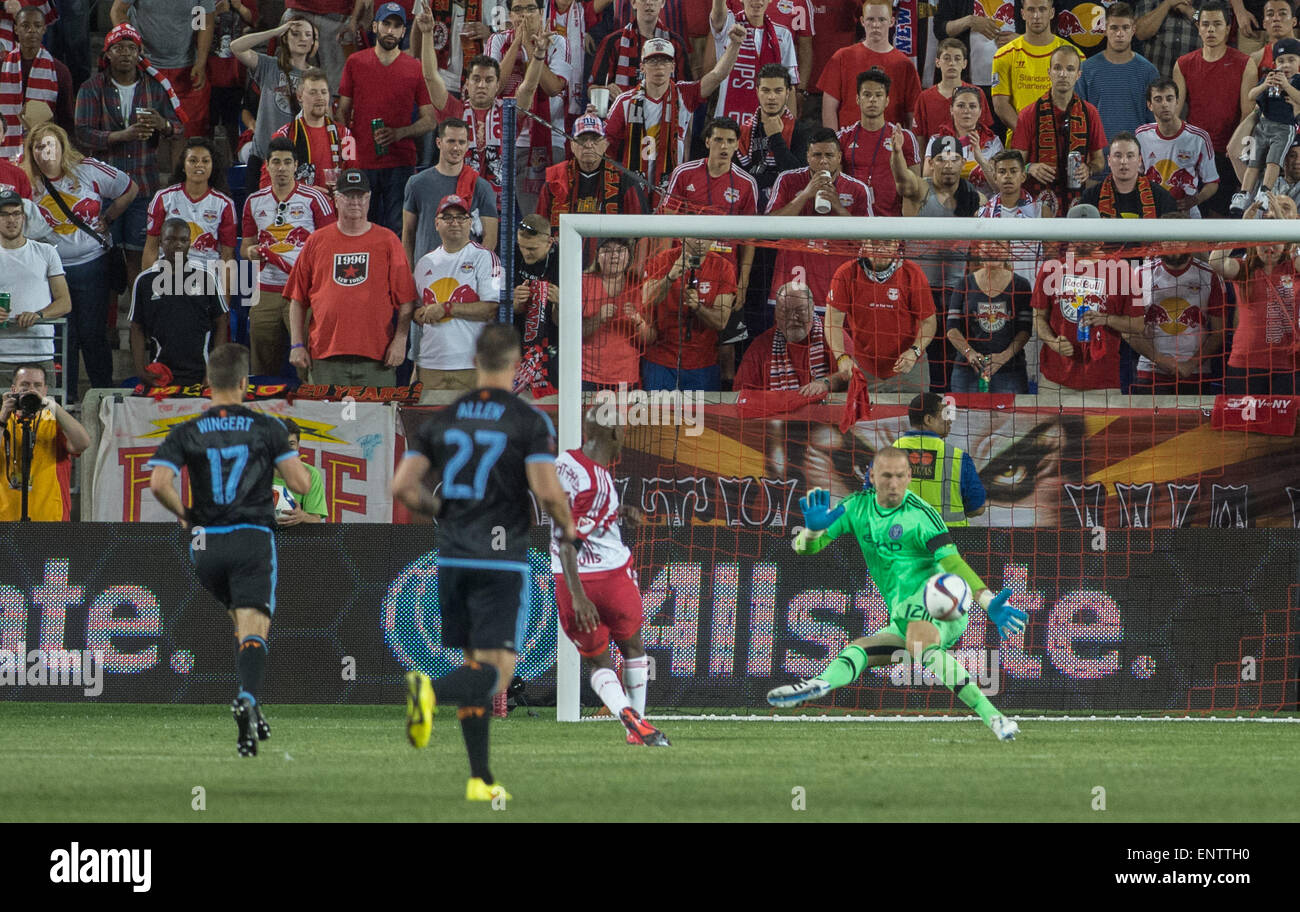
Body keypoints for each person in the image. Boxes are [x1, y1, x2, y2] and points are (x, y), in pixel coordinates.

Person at [396, 323, 581, 802]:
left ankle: (480, 777)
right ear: (517, 363)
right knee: (498, 670)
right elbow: (545, 489)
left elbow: (402, 487)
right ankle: (430, 690)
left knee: (475, 667)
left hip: (452, 555)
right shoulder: (528, 419)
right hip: (501, 560)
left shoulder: (445, 417)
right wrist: (568, 528)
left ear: (475, 359)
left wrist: (445, 511)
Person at [765, 449, 1025, 742]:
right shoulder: (856, 508)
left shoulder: (922, 516)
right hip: (902, 612)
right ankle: (820, 683)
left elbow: (953, 562)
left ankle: (995, 717)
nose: (893, 484)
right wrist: (812, 533)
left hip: (938, 602)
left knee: (918, 640)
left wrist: (988, 602)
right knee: (862, 649)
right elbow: (805, 549)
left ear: (909, 477)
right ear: (872, 476)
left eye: (900, 476)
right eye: (886, 476)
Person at [146, 343, 312, 756]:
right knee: (255, 627)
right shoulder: (267, 428)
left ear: (207, 384)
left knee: (238, 622)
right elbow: (301, 485)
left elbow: (158, 484)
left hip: (205, 547)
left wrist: (185, 514)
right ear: (244, 383)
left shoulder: (185, 431)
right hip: (252, 538)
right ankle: (248, 698)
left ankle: (251, 712)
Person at [551, 408, 669, 746]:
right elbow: (570, 540)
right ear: (614, 434)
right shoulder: (598, 484)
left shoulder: (563, 464)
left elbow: (573, 517)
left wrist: (615, 515)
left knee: (597, 662)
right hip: (608, 578)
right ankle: (638, 721)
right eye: (625, 432)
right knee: (633, 648)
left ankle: (628, 718)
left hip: (566, 579)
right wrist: (579, 595)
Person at [24, 122, 137, 399]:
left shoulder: (88, 169)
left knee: (92, 333)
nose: (45, 151)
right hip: (51, 271)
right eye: (38, 147)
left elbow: (130, 188)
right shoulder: (27, 181)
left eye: (50, 144)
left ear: (62, 146)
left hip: (93, 265)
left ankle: (102, 392)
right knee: (63, 337)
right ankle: (67, 396)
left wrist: (109, 218)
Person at [74, 24, 183, 299]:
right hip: (104, 190)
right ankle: (108, 328)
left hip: (143, 186)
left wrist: (163, 124)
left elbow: (178, 127)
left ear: (139, 53)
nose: (125, 53)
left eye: (131, 48)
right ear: (107, 53)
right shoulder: (91, 87)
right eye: (118, 48)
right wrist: (121, 135)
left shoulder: (155, 87)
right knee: (104, 260)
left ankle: (138, 321)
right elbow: (82, 133)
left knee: (138, 258)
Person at [286, 168, 416, 387]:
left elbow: (407, 301)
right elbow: (297, 300)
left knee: (377, 420)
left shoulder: (388, 241)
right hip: (324, 357)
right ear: (336, 199)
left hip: (377, 358)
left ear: (369, 198)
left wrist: (401, 340)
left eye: (360, 195)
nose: (355, 201)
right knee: (324, 422)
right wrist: (297, 344)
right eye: (348, 195)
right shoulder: (316, 241)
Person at [604, 32, 746, 201]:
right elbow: (606, 147)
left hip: (673, 190)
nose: (660, 68)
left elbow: (717, 76)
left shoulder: (684, 94)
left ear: (673, 66)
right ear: (642, 67)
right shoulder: (624, 102)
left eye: (665, 61)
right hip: (631, 191)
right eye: (653, 61)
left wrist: (735, 45)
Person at [893, 132, 985, 391]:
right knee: (922, 366)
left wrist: (981, 159)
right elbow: (902, 180)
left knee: (953, 368)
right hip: (917, 293)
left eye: (954, 159)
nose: (948, 164)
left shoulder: (973, 196)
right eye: (942, 159)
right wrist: (897, 154)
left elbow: (999, 197)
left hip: (956, 295)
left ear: (962, 162)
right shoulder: (920, 189)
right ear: (931, 162)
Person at [242, 136, 337, 376]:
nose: (281, 168)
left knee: (309, 362)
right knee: (261, 363)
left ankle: (312, 405)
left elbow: (332, 246)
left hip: (305, 292)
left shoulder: (315, 199)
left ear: (296, 166)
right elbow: (246, 247)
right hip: (266, 291)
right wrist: (252, 252)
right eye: (276, 162)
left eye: (287, 162)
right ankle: (264, 407)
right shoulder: (253, 201)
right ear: (267, 165)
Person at [338, 2, 435, 234]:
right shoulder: (355, 62)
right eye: (386, 24)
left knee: (398, 230)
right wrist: (346, 155)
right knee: (359, 227)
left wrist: (399, 133)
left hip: (400, 163)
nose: (391, 31)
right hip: (361, 162)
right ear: (375, 26)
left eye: (397, 26)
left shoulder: (414, 68)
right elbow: (341, 114)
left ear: (404, 31)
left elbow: (430, 120)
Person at [1031, 204, 1140, 397]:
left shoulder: (1122, 269)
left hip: (1103, 382)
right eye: (1078, 229)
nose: (1083, 236)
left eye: (1088, 229)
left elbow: (1139, 324)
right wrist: (1052, 342)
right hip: (1055, 380)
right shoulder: (1051, 268)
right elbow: (1039, 317)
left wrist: (1106, 319)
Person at [765, 127, 872, 314]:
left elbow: (866, 243)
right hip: (791, 286)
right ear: (807, 156)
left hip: (837, 289)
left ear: (839, 157)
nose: (823, 161)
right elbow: (770, 229)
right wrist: (805, 195)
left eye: (829, 155)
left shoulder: (857, 189)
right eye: (817, 155)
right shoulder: (788, 180)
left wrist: (838, 207)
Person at [410, 193, 501, 396]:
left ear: (470, 223)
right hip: (431, 363)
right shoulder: (425, 262)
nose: (455, 223)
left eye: (461, 217)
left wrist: (445, 308)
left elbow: (491, 308)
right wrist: (421, 315)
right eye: (447, 217)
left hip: (471, 364)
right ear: (436, 224)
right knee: (429, 425)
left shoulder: (484, 257)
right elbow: (415, 310)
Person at [1207, 204, 1299, 393]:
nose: (1269, 247)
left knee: (1286, 423)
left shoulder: (1294, 268)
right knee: (1244, 422)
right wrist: (1240, 228)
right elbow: (1215, 262)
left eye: (1275, 241)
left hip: (1287, 364)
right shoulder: (1244, 269)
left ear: (1285, 244)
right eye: (1263, 242)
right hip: (1245, 361)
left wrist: (1286, 226)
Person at [826, 238, 936, 393]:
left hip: (909, 367)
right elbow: (832, 323)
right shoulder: (846, 273)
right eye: (875, 242)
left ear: (897, 244)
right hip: (864, 367)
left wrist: (915, 351)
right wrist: (841, 357)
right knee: (864, 417)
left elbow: (929, 322)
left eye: (888, 242)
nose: (881, 248)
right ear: (864, 243)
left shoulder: (913, 273)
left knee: (914, 416)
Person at [130, 217, 230, 387]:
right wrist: (140, 370)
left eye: (183, 240)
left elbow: (221, 322)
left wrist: (215, 370)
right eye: (171, 239)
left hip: (201, 373)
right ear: (161, 242)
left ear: (190, 243)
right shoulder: (145, 280)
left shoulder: (206, 277)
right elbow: (136, 327)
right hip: (161, 374)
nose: (177, 245)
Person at [1171, 0, 1249, 215]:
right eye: (1205, 24)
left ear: (1228, 27)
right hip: (1193, 153)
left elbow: (1247, 114)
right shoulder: (1184, 63)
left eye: (1217, 24)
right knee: (1192, 217)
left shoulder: (1244, 63)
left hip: (1227, 153)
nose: (1211, 30)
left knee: (1221, 218)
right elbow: (1175, 111)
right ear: (1198, 27)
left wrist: (1237, 153)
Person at [1009, 44, 1106, 213]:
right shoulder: (1029, 113)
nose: (1063, 74)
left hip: (1076, 199)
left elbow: (1099, 161)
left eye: (1069, 69)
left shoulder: (1090, 113)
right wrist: (1030, 167)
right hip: (1037, 202)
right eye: (1057, 68)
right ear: (1049, 73)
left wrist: (1088, 169)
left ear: (1078, 75)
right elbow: (1015, 162)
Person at [231, 15, 321, 183]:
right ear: (285, 38)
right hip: (262, 156)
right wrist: (275, 31)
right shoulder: (269, 66)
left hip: (296, 160)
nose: (302, 38)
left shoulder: (316, 76)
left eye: (308, 35)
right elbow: (236, 47)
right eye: (295, 33)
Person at [640, 235, 737, 391]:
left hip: (702, 364)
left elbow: (721, 322)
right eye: (694, 236)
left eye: (704, 236)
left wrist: (698, 307)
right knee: (657, 415)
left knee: (702, 416)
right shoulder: (663, 259)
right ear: (682, 236)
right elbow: (646, 299)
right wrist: (670, 277)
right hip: (660, 361)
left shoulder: (723, 267)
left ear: (713, 239)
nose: (699, 241)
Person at [1128, 241, 1226, 395]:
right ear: (1160, 243)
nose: (1173, 245)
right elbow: (1129, 329)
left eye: (1179, 240)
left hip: (1195, 372)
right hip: (1151, 370)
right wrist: (1160, 359)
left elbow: (1219, 332)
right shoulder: (1141, 274)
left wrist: (1191, 364)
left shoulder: (1210, 275)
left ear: (1189, 242)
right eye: (1168, 241)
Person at [111, 0, 215, 140]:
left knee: (189, 133)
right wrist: (131, 39)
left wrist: (201, 62)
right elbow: (118, 11)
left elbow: (205, 22)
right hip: (146, 66)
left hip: (186, 69)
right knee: (142, 132)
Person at [403, 118, 498, 266]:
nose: (456, 148)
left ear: (467, 145)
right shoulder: (416, 183)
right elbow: (408, 233)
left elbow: (490, 238)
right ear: (439, 143)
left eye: (461, 142)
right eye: (451, 141)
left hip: (465, 275)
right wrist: (409, 273)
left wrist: (473, 271)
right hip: (426, 274)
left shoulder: (481, 187)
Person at [0, 187, 69, 392]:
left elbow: (64, 302)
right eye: (3, 214)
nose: (11, 220)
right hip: (2, 354)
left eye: (16, 214)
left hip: (39, 352)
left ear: (24, 216)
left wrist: (39, 315)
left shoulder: (46, 252)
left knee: (44, 420)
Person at [0, 363, 88, 521]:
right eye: (25, 385)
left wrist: (53, 407)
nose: (31, 390)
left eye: (37, 385)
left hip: (50, 520)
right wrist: (3, 418)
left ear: (45, 390)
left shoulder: (55, 421)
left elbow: (83, 443)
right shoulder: (3, 420)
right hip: (6, 520)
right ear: (14, 389)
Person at [534, 113, 647, 237]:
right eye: (582, 139)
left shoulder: (625, 179)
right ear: (572, 145)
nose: (588, 145)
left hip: (611, 253)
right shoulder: (555, 179)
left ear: (605, 144)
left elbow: (640, 230)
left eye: (594, 139)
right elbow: (540, 227)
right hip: (563, 250)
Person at [946, 239, 1033, 393]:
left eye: (999, 244)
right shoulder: (963, 284)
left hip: (1010, 371)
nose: (993, 248)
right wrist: (969, 353)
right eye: (988, 243)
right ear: (979, 249)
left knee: (1012, 417)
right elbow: (952, 329)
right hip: (967, 371)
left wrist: (1003, 357)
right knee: (963, 416)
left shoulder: (1021, 285)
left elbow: (1025, 330)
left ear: (1008, 249)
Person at [143, 137, 237, 280]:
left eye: (205, 161)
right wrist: (149, 289)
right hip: (168, 274)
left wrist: (224, 300)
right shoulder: (163, 198)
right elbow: (151, 247)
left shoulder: (224, 204)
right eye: (193, 160)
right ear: (183, 165)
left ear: (213, 166)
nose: (199, 165)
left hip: (206, 277)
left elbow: (227, 255)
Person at [818, 1, 920, 130]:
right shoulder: (841, 57)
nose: (876, 25)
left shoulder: (905, 65)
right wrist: (834, 145)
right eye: (870, 19)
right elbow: (829, 107)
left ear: (892, 21)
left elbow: (912, 115)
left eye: (882, 19)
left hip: (890, 145)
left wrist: (908, 148)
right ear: (862, 21)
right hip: (848, 145)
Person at [890, 392, 987, 525]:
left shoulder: (886, 456)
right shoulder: (958, 457)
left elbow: (870, 499)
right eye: (945, 414)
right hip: (950, 540)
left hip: (902, 539)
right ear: (928, 420)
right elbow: (977, 508)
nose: (950, 420)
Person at [836, 67, 921, 219]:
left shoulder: (905, 137)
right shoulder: (842, 138)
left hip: (892, 224)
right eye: (867, 95)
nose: (872, 100)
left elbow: (914, 191)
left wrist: (897, 153)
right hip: (853, 223)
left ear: (887, 100)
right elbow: (836, 184)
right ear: (857, 99)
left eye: (878, 95)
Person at [733, 281, 845, 394]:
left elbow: (852, 374)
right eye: (785, 311)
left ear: (812, 309)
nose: (792, 318)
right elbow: (741, 393)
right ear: (776, 314)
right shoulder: (761, 346)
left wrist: (826, 383)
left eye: (800, 310)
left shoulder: (832, 333)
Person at [1075, 3, 1159, 150]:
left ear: (1133, 30)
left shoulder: (1148, 72)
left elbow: (1154, 123)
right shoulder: (1086, 70)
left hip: (1136, 162)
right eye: (1114, 28)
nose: (1120, 33)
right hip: (1097, 162)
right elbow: (1078, 121)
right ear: (1105, 29)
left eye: (1125, 28)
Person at [1232, 37, 1300, 213]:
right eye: (1281, 61)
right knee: (1254, 162)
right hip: (1263, 127)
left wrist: (1286, 86)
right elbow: (1250, 95)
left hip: (1284, 128)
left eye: (1291, 60)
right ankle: (1244, 194)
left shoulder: (1297, 81)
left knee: (1272, 161)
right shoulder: (1269, 78)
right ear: (1274, 62)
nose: (1286, 65)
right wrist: (1265, 86)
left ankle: (1265, 191)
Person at [707, 0, 800, 125]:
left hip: (769, 127)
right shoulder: (729, 26)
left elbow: (790, 86)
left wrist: (790, 131)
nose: (758, 2)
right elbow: (717, 17)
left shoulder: (783, 35)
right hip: (727, 127)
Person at [1136, 76, 1219, 216]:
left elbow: (1212, 182)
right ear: (1149, 105)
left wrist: (1195, 200)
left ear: (1177, 102)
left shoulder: (1199, 138)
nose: (1164, 104)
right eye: (1158, 99)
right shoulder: (1141, 135)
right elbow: (1136, 176)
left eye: (1169, 99)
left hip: (1187, 215)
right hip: (1151, 213)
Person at [0, 5, 74, 158]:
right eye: (25, 25)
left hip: (44, 153)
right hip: (5, 150)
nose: (31, 30)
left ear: (44, 30)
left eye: (37, 25)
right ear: (15, 29)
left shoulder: (59, 71)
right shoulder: (2, 66)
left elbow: (66, 119)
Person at [580, 235, 653, 391]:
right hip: (587, 376)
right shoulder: (582, 282)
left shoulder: (639, 285)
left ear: (629, 255)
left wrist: (639, 321)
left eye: (620, 251)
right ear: (597, 255)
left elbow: (651, 339)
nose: (614, 256)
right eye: (607, 251)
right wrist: (597, 319)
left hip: (626, 377)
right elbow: (571, 335)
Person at [734, 62, 809, 209]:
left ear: (788, 92)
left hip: (788, 206)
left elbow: (797, 178)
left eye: (778, 91)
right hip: (748, 203)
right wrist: (772, 178)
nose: (771, 97)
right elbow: (736, 177)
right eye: (766, 90)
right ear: (757, 91)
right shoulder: (743, 131)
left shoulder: (800, 130)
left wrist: (775, 136)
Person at [991, 0, 1072, 132]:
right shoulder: (1003, 56)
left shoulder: (1075, 56)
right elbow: (1001, 105)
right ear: (1022, 13)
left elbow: (1078, 104)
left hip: (1061, 142)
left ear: (1051, 13)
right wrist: (1027, 135)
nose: (1036, 16)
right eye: (1031, 10)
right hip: (1019, 145)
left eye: (1042, 9)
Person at [512, 214, 561, 395]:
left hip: (551, 343)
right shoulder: (510, 254)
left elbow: (563, 322)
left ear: (549, 242)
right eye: (522, 246)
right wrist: (514, 302)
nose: (526, 253)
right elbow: (499, 307)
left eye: (532, 248)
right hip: (517, 340)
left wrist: (560, 303)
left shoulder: (564, 261)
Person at [922, 85, 1002, 196]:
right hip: (948, 207)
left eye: (972, 106)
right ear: (951, 110)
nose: (966, 111)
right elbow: (927, 182)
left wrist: (981, 160)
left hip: (984, 208)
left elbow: (1000, 188)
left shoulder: (993, 142)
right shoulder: (937, 140)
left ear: (980, 111)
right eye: (960, 105)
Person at [913, 38, 996, 143]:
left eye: (957, 59)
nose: (952, 63)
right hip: (936, 157)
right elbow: (920, 137)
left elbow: (985, 131)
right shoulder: (925, 97)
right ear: (937, 62)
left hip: (970, 156)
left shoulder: (976, 93)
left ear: (964, 63)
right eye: (946, 58)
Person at [1080, 130, 1179, 216]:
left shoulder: (1161, 198)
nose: (1123, 161)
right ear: (1109, 160)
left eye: (1130, 156)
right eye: (1118, 156)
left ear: (1140, 160)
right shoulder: (1090, 197)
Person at [272, 417, 328, 525]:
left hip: (295, 539)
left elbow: (316, 520)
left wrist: (303, 516)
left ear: (298, 446)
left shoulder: (310, 474)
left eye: (291, 444)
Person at [1133, 0, 1208, 78]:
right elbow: (1140, 33)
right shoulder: (1150, 1)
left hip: (1193, 81)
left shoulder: (1207, 3)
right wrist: (1167, 4)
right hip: (1155, 81)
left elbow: (1214, 30)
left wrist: (1190, 11)